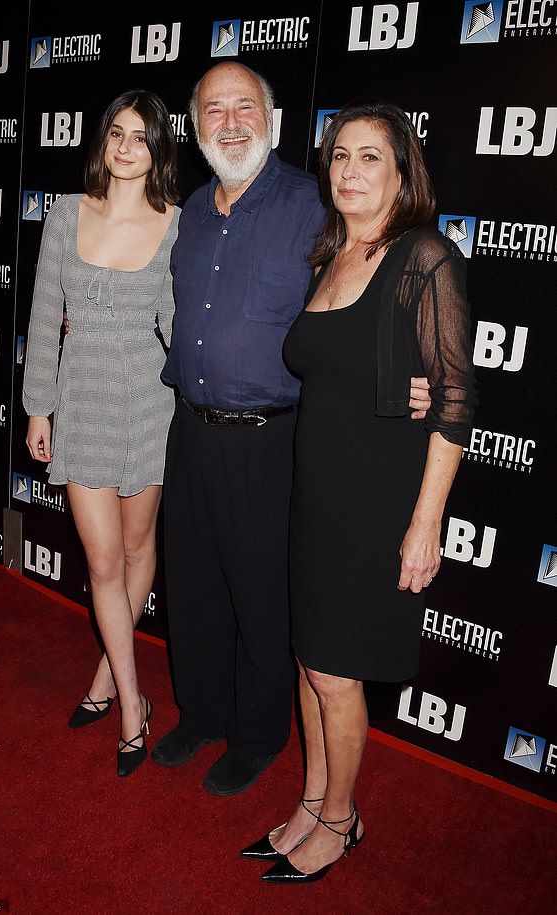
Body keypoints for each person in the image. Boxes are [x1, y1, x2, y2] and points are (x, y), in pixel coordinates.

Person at [153, 63, 432, 797]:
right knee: (196, 587)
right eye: (215, 109)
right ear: (196, 126)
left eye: (246, 106)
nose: (232, 121)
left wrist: (411, 369)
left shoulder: (314, 206)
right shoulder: (188, 213)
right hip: (191, 432)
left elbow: (376, 281)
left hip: (272, 440)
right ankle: (203, 712)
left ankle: (255, 734)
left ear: (272, 120)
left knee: (262, 598)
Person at [239, 102, 476, 881]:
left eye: (370, 157)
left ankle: (342, 819)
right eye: (340, 155)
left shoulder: (426, 258)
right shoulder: (329, 255)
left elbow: (453, 401)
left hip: (377, 505)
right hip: (316, 495)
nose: (349, 171)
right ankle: (312, 801)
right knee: (312, 660)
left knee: (338, 672)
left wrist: (425, 523)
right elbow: (348, 369)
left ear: (402, 172)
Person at [22, 89, 180, 778]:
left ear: (159, 149)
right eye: (116, 132)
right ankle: (133, 706)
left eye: (140, 137)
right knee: (105, 563)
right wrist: (38, 408)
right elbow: (40, 315)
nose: (124, 146)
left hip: (149, 402)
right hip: (81, 402)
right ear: (102, 141)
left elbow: (180, 328)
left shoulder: (176, 224)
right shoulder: (66, 213)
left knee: (140, 547)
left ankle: (104, 675)